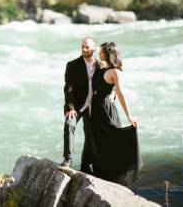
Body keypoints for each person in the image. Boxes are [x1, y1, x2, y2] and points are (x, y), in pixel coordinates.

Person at [82, 41, 143, 185]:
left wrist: (129, 115)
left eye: (102, 52)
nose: (99, 53)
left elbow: (121, 93)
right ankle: (96, 170)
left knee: (111, 140)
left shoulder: (115, 71)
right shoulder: (102, 66)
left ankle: (116, 173)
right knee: (95, 138)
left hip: (106, 110)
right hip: (95, 110)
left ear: (109, 54)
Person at [61, 36, 99, 171]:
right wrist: (70, 106)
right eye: (82, 46)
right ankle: (68, 159)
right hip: (77, 105)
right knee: (69, 124)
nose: (84, 49)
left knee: (90, 134)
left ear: (94, 48)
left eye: (87, 47)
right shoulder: (72, 65)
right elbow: (69, 87)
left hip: (93, 106)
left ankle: (86, 164)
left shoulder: (100, 66)